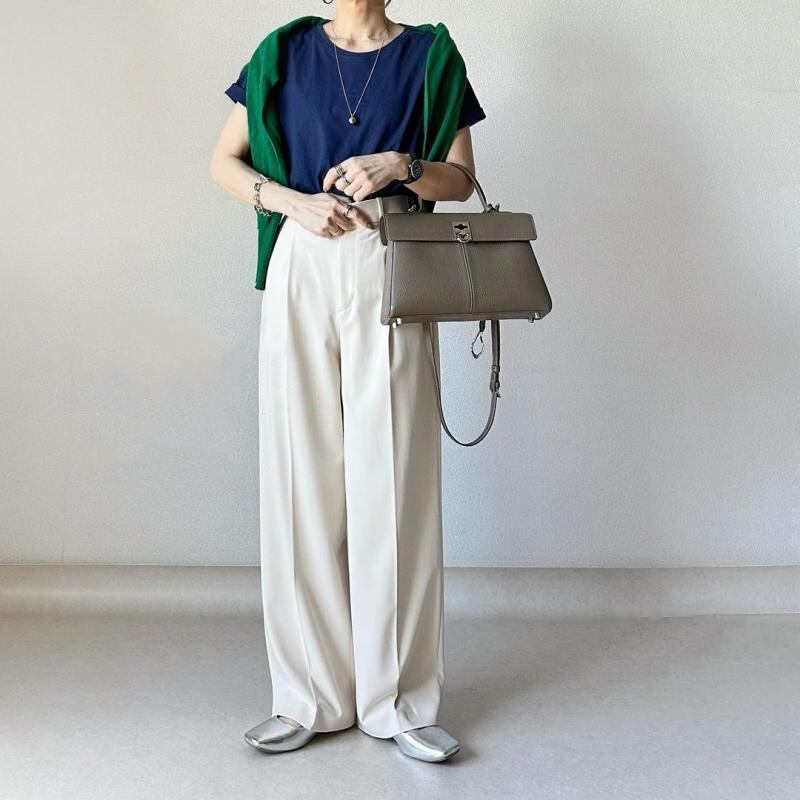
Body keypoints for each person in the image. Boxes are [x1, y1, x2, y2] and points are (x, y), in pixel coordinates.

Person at [209, 0, 486, 763]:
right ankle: (308, 695)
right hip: (302, 256)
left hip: (392, 253)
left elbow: (461, 179)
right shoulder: (282, 53)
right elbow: (224, 161)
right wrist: (291, 202)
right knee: (300, 473)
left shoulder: (429, 56)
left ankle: (400, 702)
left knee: (394, 475)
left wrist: (400, 164)